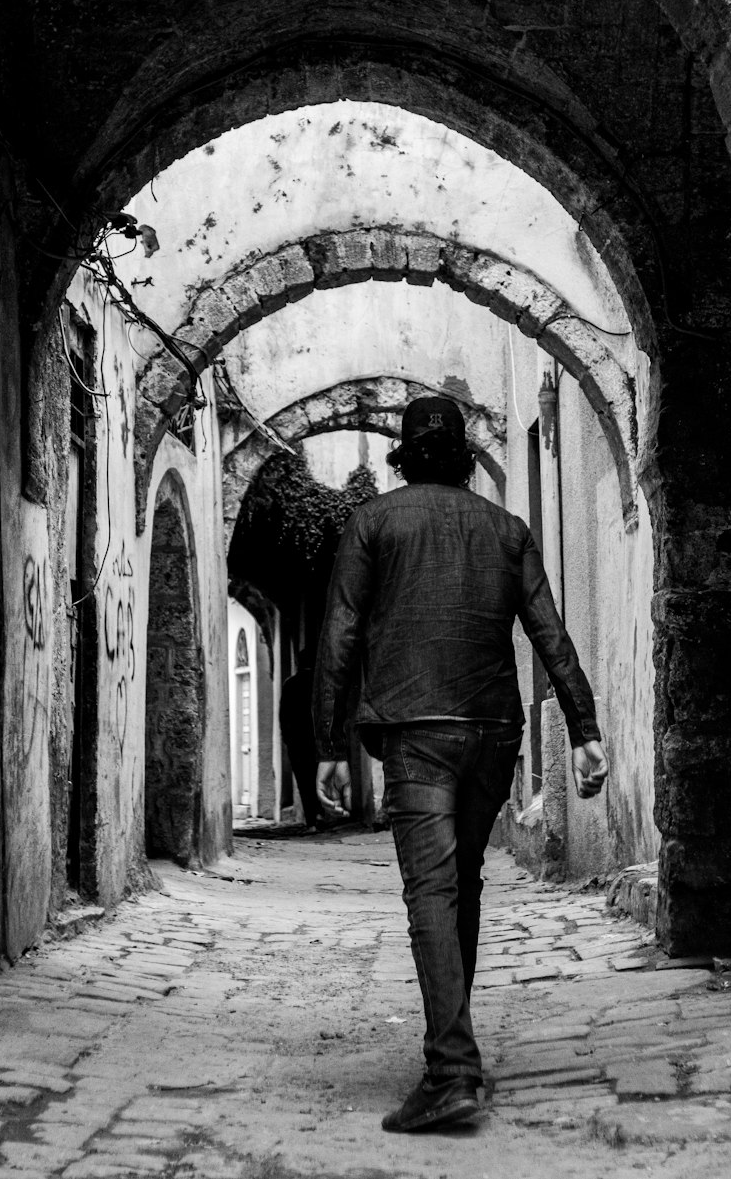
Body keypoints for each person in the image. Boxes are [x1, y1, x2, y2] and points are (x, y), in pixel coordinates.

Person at [312, 395, 608, 1133]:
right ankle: (458, 1052)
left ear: (403, 458)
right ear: (468, 459)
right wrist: (584, 726)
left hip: (415, 732)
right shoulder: (507, 529)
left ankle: (450, 1070)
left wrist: (325, 745)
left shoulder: (373, 522)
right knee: (459, 881)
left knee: (431, 892)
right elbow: (548, 629)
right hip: (492, 732)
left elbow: (340, 631)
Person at [278, 647, 323, 831]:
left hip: (298, 742)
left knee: (304, 782)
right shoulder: (319, 683)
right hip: (317, 740)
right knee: (320, 776)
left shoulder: (290, 684)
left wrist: (288, 738)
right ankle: (321, 813)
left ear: (298, 663)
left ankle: (311, 821)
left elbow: (284, 715)